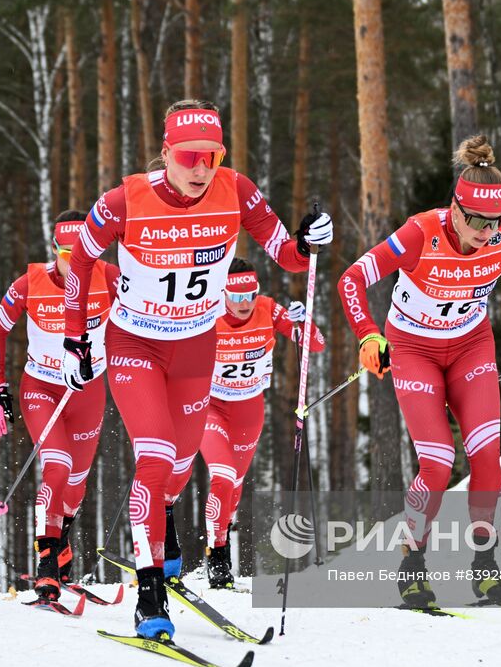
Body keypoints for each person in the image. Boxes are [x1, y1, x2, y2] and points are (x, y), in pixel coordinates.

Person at [62, 99, 332, 639]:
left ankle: (161, 527)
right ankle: (149, 592)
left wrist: (309, 239)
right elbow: (81, 262)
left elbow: (287, 254)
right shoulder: (124, 201)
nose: (202, 168)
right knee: (156, 456)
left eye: (212, 155)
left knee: (179, 471)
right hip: (134, 344)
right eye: (190, 157)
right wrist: (75, 337)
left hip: (194, 348)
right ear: (166, 154)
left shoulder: (237, 189)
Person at [337, 135, 501, 609]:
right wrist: (368, 335)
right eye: (476, 220)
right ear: (454, 208)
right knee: (437, 462)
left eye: (494, 222)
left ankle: (484, 565)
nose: (485, 231)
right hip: (413, 348)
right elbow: (352, 278)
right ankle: (413, 563)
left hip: (470, 349)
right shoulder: (420, 232)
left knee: (487, 460)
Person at [0, 210, 120, 602]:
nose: (77, 260)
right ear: (54, 249)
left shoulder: (108, 277)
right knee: (57, 466)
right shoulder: (30, 283)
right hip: (42, 389)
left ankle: (61, 552)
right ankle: (47, 567)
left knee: (76, 485)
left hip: (88, 390)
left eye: (85, 252)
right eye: (67, 252)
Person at [199, 258, 325, 589]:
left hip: (249, 410)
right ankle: (217, 554)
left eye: (250, 296)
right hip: (209, 407)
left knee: (235, 489)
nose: (244, 304)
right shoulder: (207, 313)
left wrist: (303, 322)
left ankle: (222, 536)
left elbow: (317, 344)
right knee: (222, 476)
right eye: (236, 297)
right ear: (222, 292)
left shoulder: (268, 310)